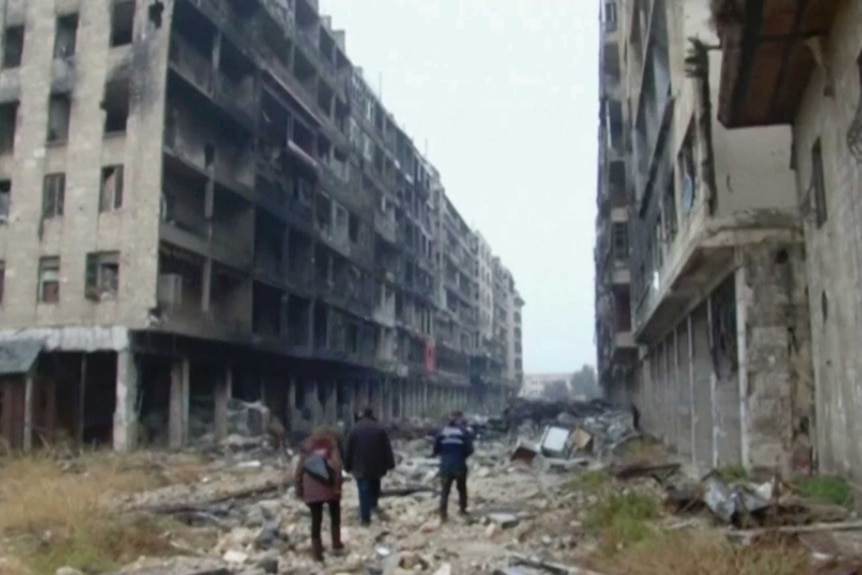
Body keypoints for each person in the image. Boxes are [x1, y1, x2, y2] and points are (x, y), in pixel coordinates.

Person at [295, 427, 344, 562]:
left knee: (316, 519)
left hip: (311, 486)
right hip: (329, 486)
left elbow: (300, 469)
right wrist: (337, 486)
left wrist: (299, 487)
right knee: (335, 515)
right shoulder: (331, 446)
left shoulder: (307, 448)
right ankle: (336, 543)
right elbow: (337, 466)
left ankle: (317, 551)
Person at [344, 407, 395, 526]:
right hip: (377, 465)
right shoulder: (380, 428)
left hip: (360, 466)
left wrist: (347, 465)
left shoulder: (354, 429)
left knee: (363, 491)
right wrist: (390, 464)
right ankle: (373, 505)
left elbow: (348, 449)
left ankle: (365, 518)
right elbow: (387, 448)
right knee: (375, 485)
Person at [433, 411, 475, 522]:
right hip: (459, 464)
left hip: (445, 466)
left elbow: (436, 449)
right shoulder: (463, 432)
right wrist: (462, 456)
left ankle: (443, 514)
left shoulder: (441, 432)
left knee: (445, 490)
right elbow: (470, 449)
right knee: (461, 488)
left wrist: (444, 454)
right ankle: (462, 509)